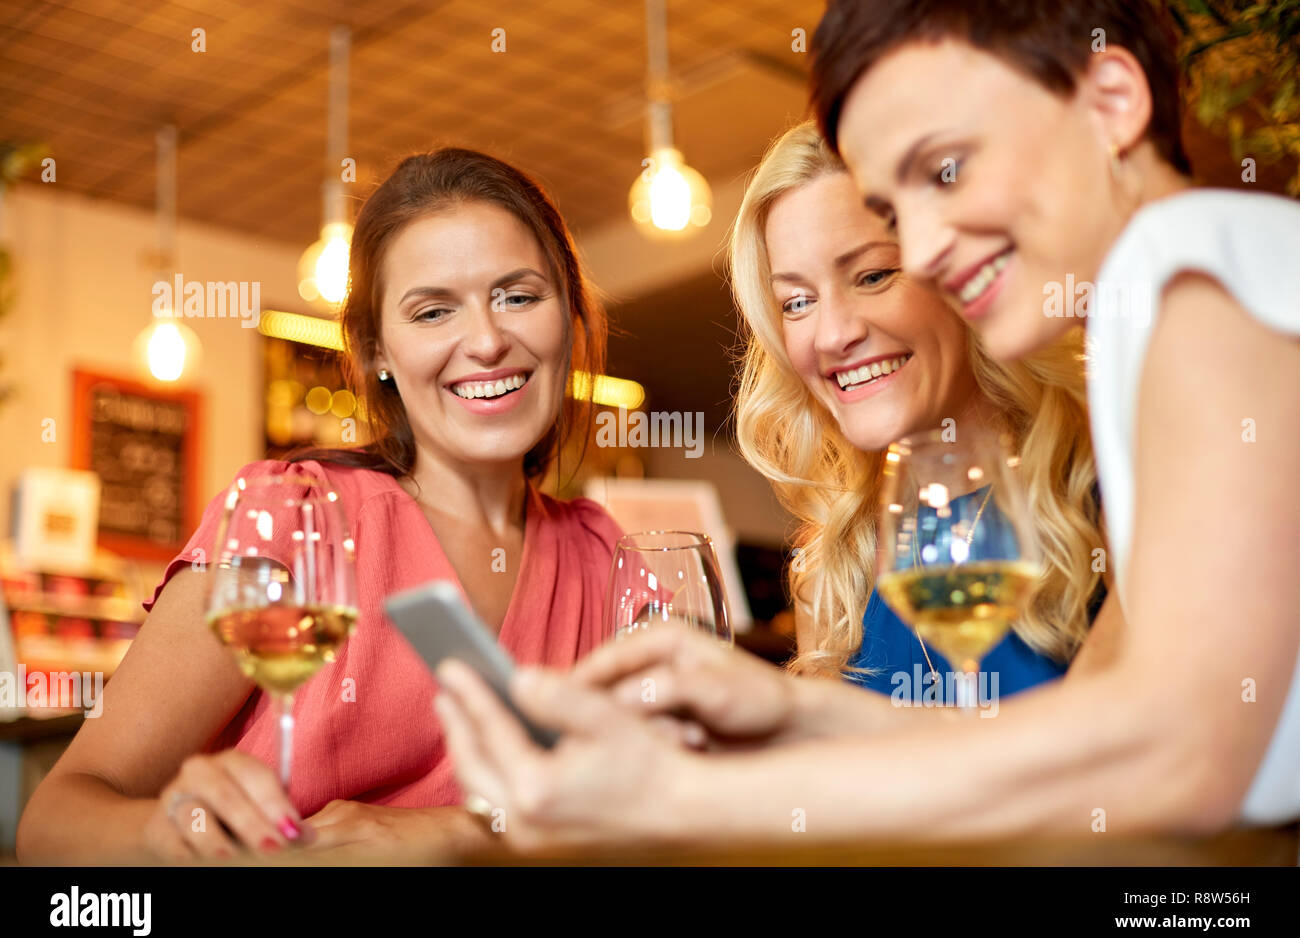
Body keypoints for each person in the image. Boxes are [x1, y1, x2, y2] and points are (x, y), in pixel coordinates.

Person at [433, 0, 1300, 850]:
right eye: (896, 206)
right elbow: (1089, 726)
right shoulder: (1167, 302)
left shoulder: (1187, 273)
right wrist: (797, 708)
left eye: (946, 169)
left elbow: (1187, 757)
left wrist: (677, 796)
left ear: (1112, 101)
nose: (923, 248)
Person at [16, 147, 622, 864]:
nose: (487, 340)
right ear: (376, 353)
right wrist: (179, 832)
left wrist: (466, 834)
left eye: (518, 296)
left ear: (571, 317)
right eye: (432, 311)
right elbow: (55, 817)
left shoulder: (605, 559)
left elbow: (651, 818)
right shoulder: (291, 519)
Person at [731, 120, 1120, 704]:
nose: (833, 334)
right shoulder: (833, 564)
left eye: (874, 275)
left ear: (965, 275)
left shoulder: (1105, 485)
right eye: (798, 302)